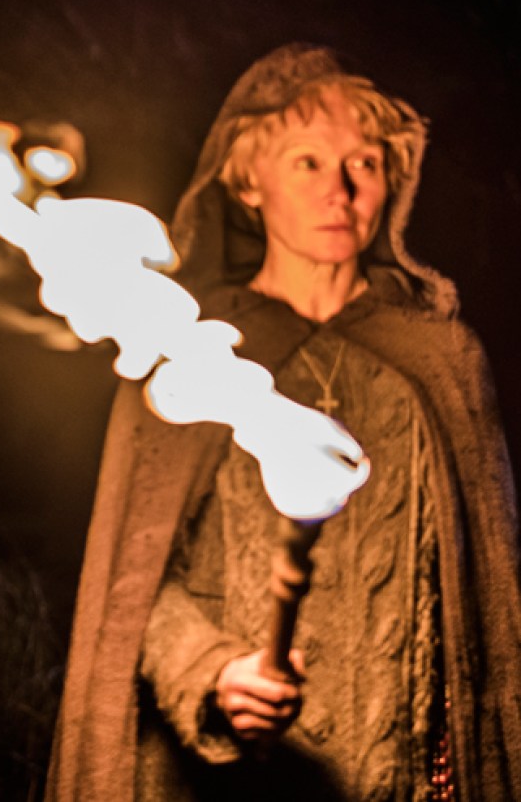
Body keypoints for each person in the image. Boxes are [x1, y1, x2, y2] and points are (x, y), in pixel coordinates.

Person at [47, 44, 521, 801]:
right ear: (246, 180)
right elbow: (133, 590)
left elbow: (480, 618)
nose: (339, 189)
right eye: (305, 162)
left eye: (363, 163)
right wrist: (212, 674)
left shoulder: (442, 362)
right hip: (221, 782)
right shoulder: (187, 354)